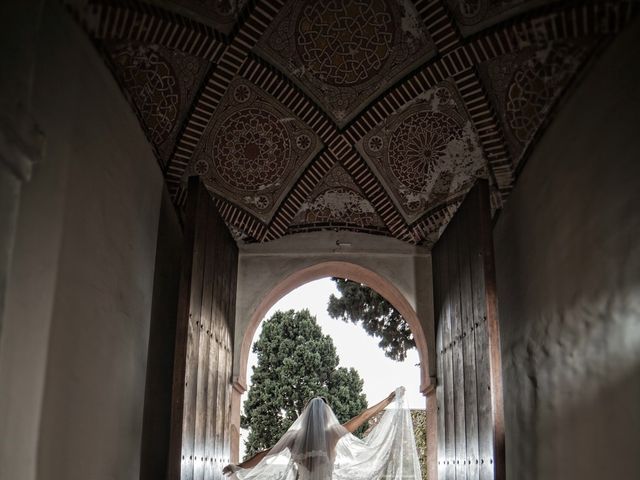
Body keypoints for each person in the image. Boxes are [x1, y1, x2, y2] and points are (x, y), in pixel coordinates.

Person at [223, 386, 421, 480]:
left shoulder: (293, 438)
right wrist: (388, 399)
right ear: (327, 415)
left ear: (306, 415)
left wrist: (238, 467)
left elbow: (264, 454)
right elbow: (362, 417)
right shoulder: (332, 434)